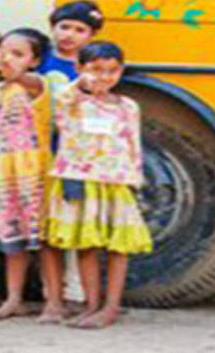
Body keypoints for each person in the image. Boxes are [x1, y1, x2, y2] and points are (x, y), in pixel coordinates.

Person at [43, 42, 152, 329]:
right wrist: (82, 84)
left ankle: (111, 307)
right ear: (79, 69)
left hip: (115, 183)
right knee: (86, 245)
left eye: (111, 71)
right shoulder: (72, 101)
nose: (103, 77)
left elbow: (133, 145)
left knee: (118, 247)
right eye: (95, 70)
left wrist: (134, 180)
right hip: (79, 179)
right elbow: (62, 101)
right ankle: (91, 305)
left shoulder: (128, 106)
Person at [0, 28, 56, 321]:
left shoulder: (35, 85)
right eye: (2, 51)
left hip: (30, 173)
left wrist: (8, 64)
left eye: (17, 54)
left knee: (42, 240)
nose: (6, 59)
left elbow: (21, 78)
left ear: (34, 62)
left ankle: (54, 301)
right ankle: (13, 298)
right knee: (12, 241)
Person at [0, 0, 103, 87]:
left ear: (92, 34)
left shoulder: (92, 62)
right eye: (64, 27)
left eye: (79, 30)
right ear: (52, 27)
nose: (69, 35)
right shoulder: (41, 50)